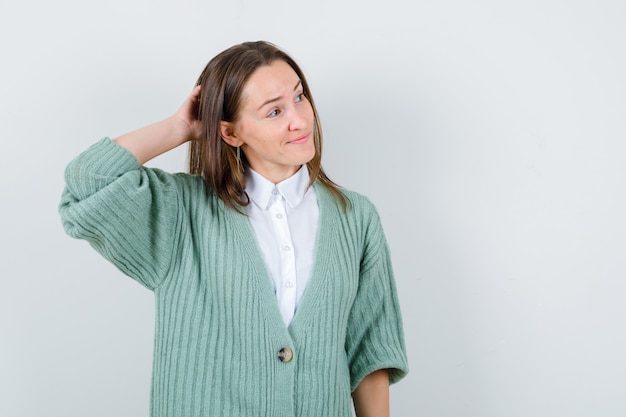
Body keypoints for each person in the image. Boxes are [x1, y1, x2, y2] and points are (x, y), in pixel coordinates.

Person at [59, 40, 408, 417]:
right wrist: (180, 127)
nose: (300, 120)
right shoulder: (182, 211)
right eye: (274, 111)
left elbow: (370, 350)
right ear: (230, 133)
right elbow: (88, 183)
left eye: (299, 97)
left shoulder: (355, 216)